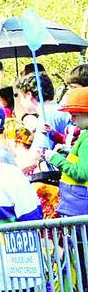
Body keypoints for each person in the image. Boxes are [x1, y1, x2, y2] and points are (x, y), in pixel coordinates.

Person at [43, 87, 88, 217]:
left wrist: (56, 159)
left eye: (75, 115)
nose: (72, 119)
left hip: (79, 207)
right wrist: (52, 134)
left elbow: (81, 174)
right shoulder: (84, 135)